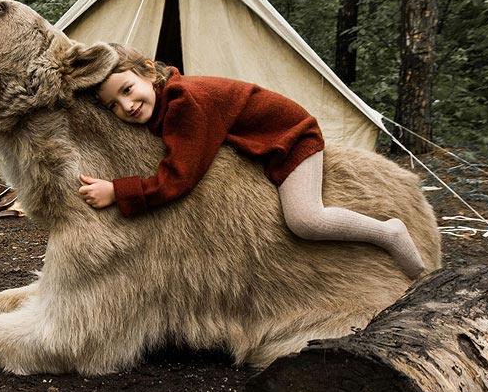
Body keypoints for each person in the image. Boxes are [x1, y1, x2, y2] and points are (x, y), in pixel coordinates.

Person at [77, 44, 425, 278]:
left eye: (127, 90)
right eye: (112, 106)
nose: (126, 106)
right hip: (260, 140)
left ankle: (388, 233)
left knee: (306, 220)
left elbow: (180, 176)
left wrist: (118, 191)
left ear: (149, 72)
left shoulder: (187, 103)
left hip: (290, 139)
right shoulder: (163, 102)